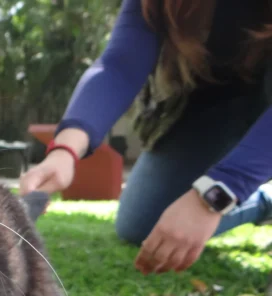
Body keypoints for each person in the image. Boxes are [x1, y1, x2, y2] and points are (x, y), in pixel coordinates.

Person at [20, 0, 272, 275]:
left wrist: (214, 196)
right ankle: (265, 201)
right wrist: (64, 151)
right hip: (220, 100)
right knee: (142, 224)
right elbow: (120, 65)